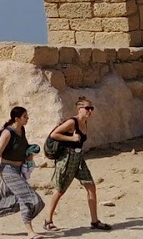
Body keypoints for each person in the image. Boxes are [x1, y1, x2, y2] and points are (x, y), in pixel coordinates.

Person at [43, 97, 112, 231]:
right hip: (67, 158)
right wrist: (71, 138)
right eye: (87, 108)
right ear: (79, 108)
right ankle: (48, 220)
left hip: (78, 158)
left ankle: (94, 221)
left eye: (91, 108)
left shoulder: (84, 123)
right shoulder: (72, 122)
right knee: (60, 189)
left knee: (90, 185)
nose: (90, 111)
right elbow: (53, 135)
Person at [0, 106, 46, 239]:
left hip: (18, 169)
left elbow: (22, 147)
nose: (28, 119)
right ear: (17, 118)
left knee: (3, 196)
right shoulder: (7, 133)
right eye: (25, 116)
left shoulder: (22, 130)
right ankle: (30, 232)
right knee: (28, 197)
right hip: (7, 170)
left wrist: (30, 153)